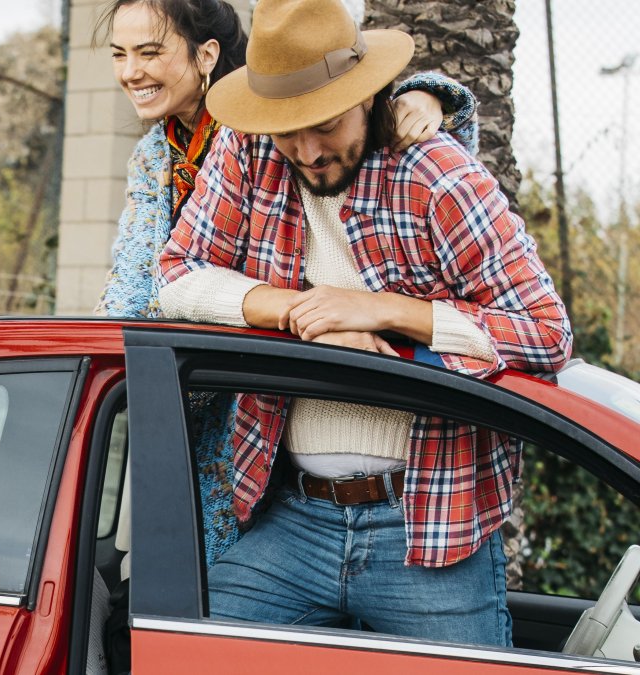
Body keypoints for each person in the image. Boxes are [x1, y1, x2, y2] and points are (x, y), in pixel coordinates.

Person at [157, 0, 571, 646]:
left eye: (324, 124)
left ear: (368, 95)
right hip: (294, 516)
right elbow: (177, 274)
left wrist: (383, 311)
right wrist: (301, 309)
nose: (309, 151)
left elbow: (546, 330)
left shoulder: (435, 175)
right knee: (180, 649)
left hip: (429, 525)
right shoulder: (251, 153)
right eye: (287, 129)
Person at [94, 0, 480, 568]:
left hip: (266, 398)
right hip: (193, 391)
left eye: (151, 52)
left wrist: (429, 96)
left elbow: (402, 168)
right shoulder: (157, 155)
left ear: (206, 56)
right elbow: (141, 286)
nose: (132, 71)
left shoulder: (263, 129)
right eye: (120, 54)